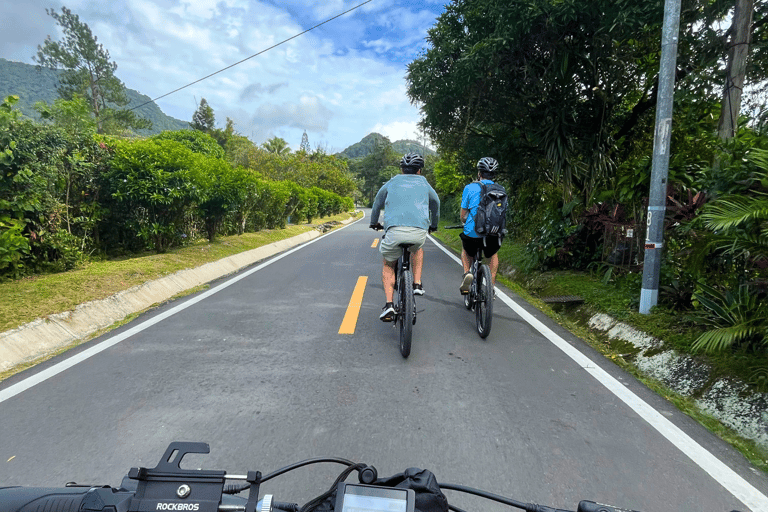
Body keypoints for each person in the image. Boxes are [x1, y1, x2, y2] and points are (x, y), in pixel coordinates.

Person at [370, 153, 440, 322]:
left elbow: (377, 203)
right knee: (418, 249)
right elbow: (436, 203)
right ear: (419, 171)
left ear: (401, 169)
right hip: (418, 231)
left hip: (393, 231)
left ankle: (389, 305)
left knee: (388, 264)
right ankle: (416, 283)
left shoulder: (392, 182)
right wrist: (434, 225)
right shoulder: (424, 183)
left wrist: (374, 222)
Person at [459, 157, 502, 294]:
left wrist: (465, 222)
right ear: (494, 174)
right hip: (493, 234)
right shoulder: (501, 190)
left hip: (473, 234)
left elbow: (463, 215)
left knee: (466, 250)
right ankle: (491, 287)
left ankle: (467, 273)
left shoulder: (470, 187)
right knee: (493, 255)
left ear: (479, 173)